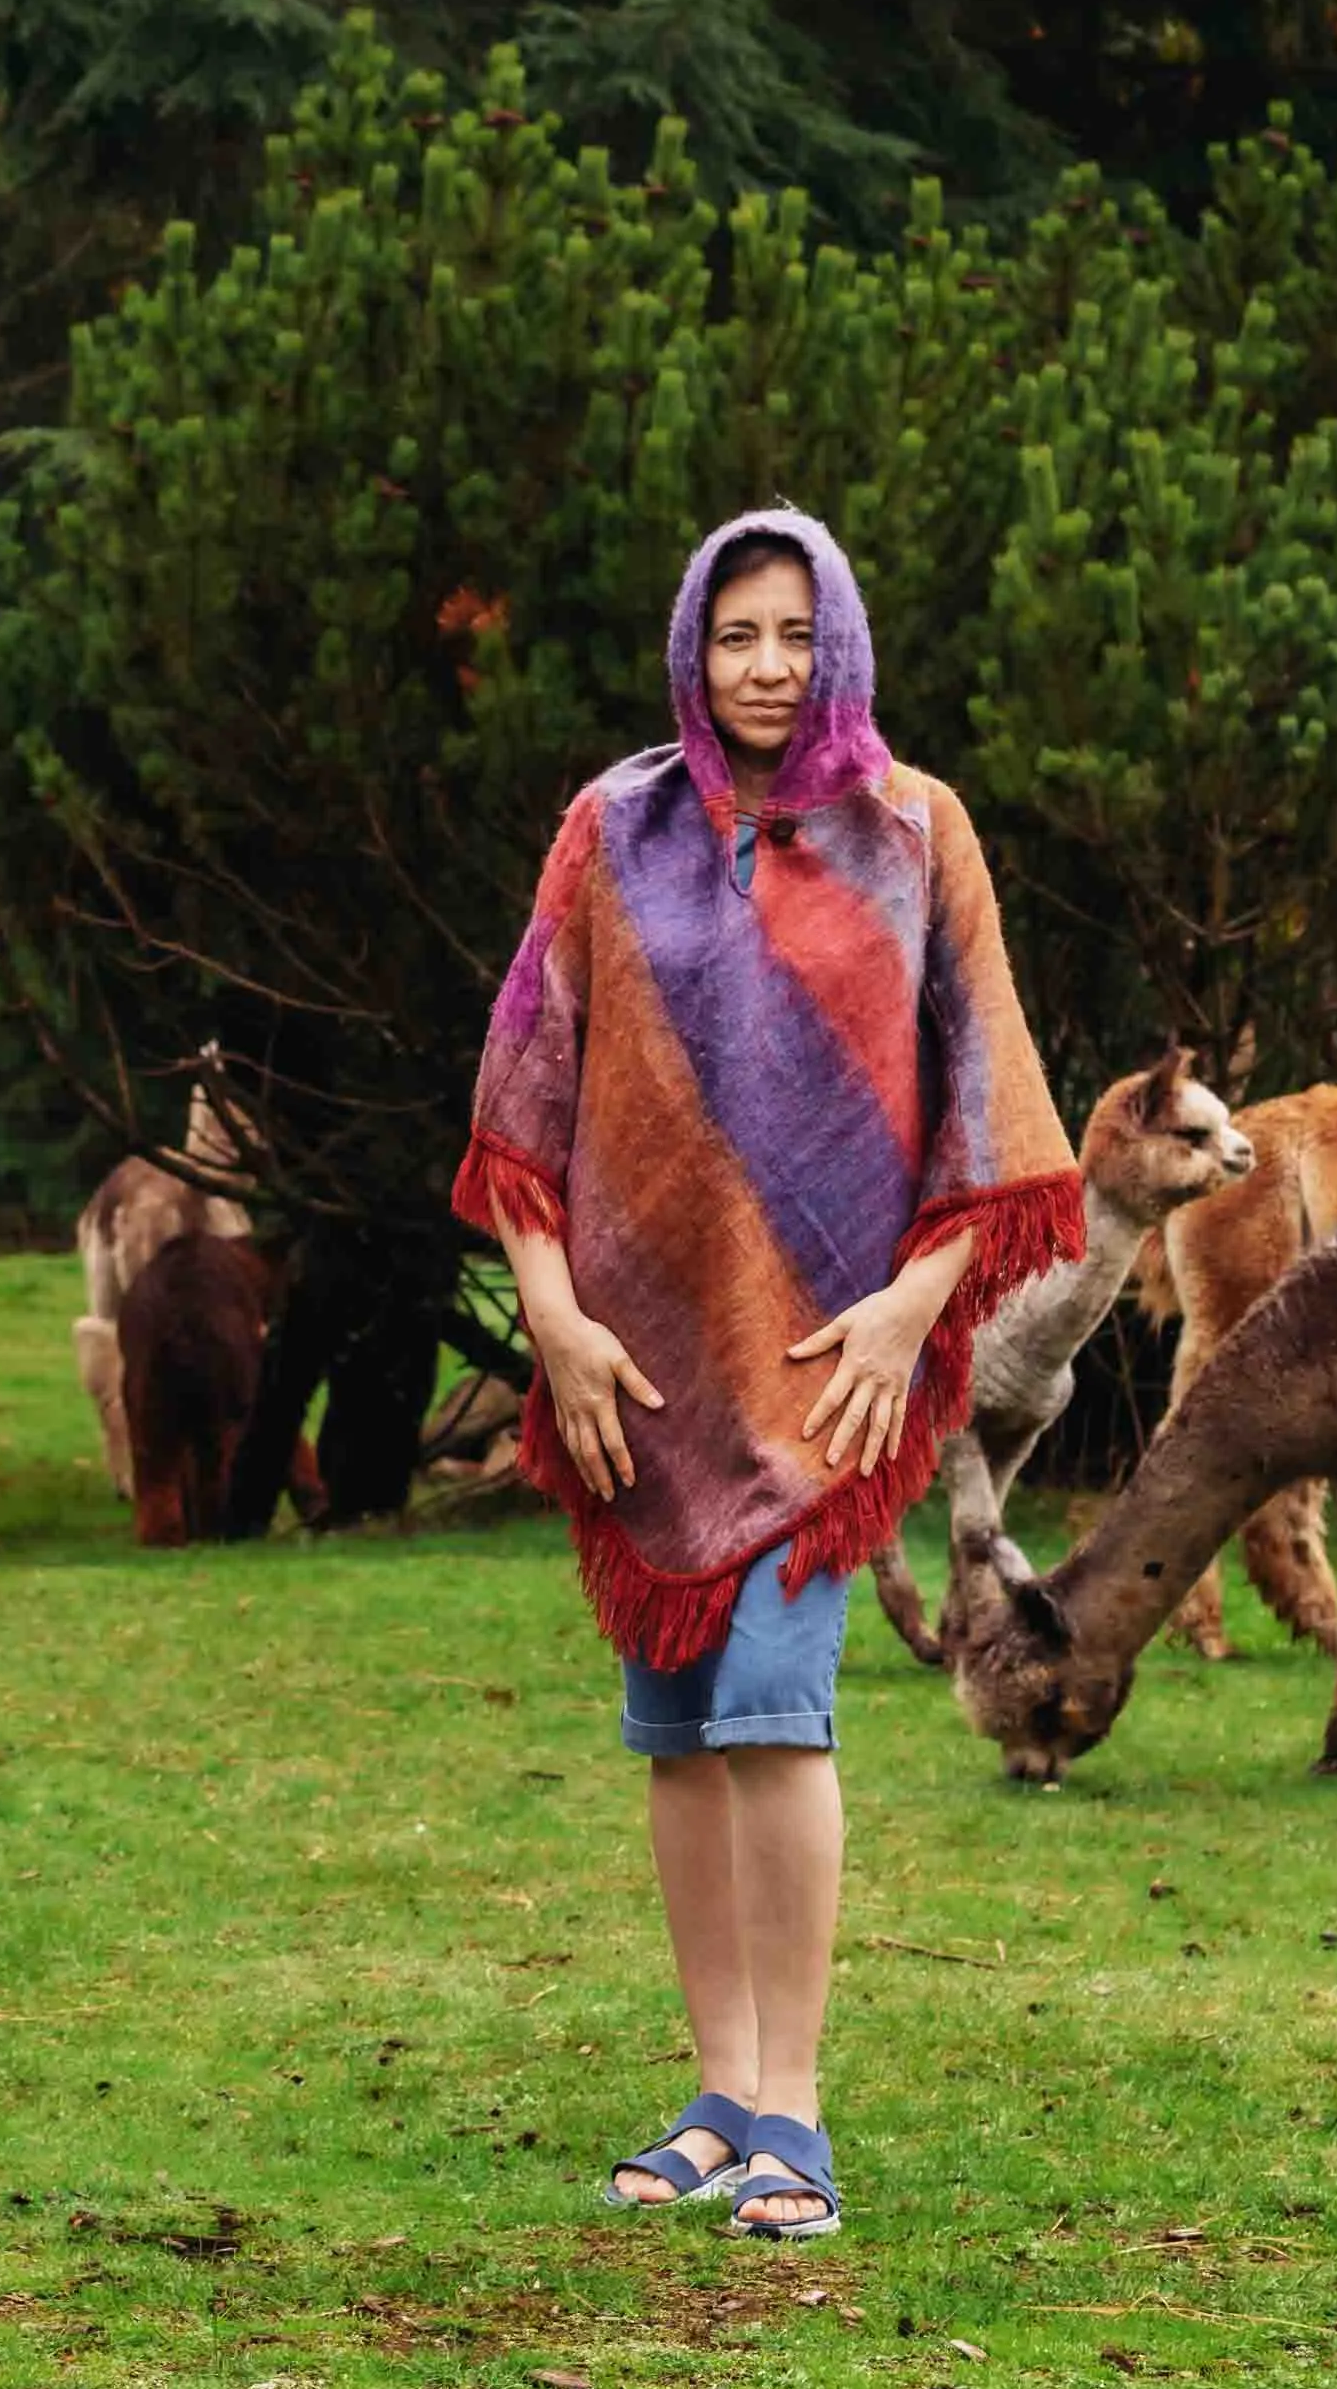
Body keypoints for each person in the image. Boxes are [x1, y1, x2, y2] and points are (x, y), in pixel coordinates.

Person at [451, 509, 1076, 2243]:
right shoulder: (613, 828)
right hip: (637, 1372)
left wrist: (906, 1310)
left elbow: (989, 1104)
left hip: (831, 1364)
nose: (766, 666)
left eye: (796, 633)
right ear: (690, 643)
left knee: (776, 1716)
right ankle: (720, 2091)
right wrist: (557, 1321)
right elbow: (528, 1100)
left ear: (843, 644)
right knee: (676, 1738)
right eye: (736, 633)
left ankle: (796, 2113)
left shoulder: (914, 831)